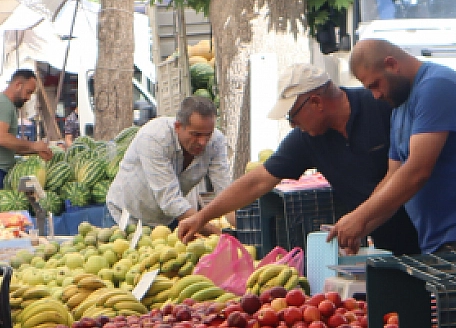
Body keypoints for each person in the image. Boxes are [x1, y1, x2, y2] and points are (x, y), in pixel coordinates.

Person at [176, 65, 420, 255]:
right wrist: (202, 216)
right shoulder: (307, 138)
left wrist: (361, 218)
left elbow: (407, 171)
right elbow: (258, 181)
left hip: (428, 228)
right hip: (386, 240)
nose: (292, 124)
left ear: (315, 102)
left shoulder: (380, 106)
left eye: (292, 115)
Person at [328, 39, 456, 254]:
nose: (376, 95)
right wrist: (362, 226)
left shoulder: (437, 85)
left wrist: (359, 217)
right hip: (443, 237)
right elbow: (394, 176)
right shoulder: (399, 107)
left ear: (391, 64)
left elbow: (418, 171)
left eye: (375, 84)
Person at [106, 97, 232, 229]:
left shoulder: (216, 141)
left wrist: (241, 227)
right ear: (178, 127)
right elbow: (170, 200)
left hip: (164, 221)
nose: (203, 142)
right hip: (125, 216)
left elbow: (226, 193)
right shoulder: (154, 137)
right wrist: (217, 234)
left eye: (208, 135)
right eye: (196, 134)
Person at [0, 69, 54, 196]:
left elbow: (10, 145)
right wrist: (33, 145)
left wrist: (36, 150)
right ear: (18, 85)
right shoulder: (4, 104)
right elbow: (1, 138)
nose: (28, 98)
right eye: (28, 92)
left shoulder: (7, 105)